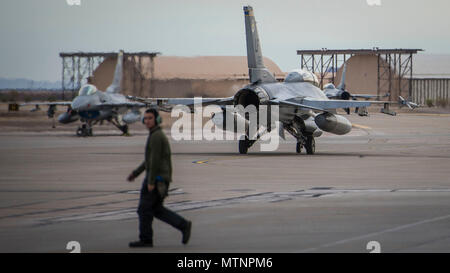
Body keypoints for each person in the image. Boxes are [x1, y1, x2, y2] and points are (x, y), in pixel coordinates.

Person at [127, 108, 191, 248]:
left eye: (150, 118)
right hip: (158, 177)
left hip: (157, 179)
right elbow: (149, 160)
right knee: (156, 209)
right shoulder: (155, 135)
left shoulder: (156, 136)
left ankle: (146, 239)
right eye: (146, 118)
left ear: (156, 120)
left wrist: (151, 182)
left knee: (144, 209)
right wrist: (136, 173)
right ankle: (183, 225)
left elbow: (154, 161)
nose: (147, 121)